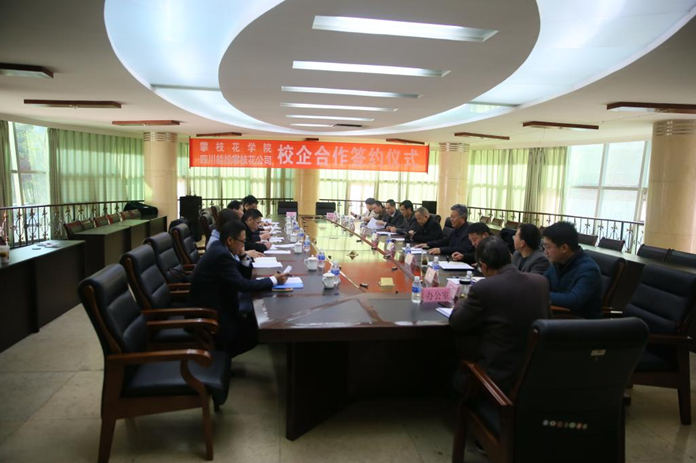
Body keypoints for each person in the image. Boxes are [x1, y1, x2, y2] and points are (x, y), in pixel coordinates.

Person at [449, 236, 550, 393]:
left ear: (483, 265)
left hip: (497, 377)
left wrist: (462, 300)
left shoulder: (484, 288)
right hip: (536, 372)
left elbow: (457, 322)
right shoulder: (541, 282)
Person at [189, 220, 289, 357]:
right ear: (230, 240)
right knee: (254, 333)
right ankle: (220, 356)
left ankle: (224, 352)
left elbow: (243, 276)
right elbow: (243, 285)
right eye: (242, 241)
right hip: (210, 314)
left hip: (218, 305)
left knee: (253, 324)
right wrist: (274, 280)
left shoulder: (221, 248)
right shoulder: (221, 255)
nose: (244, 245)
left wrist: (242, 255)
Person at [542, 221, 602, 319]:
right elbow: (542, 282)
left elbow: (573, 300)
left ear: (564, 248)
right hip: (561, 317)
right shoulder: (558, 263)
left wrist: (540, 294)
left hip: (582, 323)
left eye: (547, 247)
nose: (545, 251)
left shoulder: (589, 270)